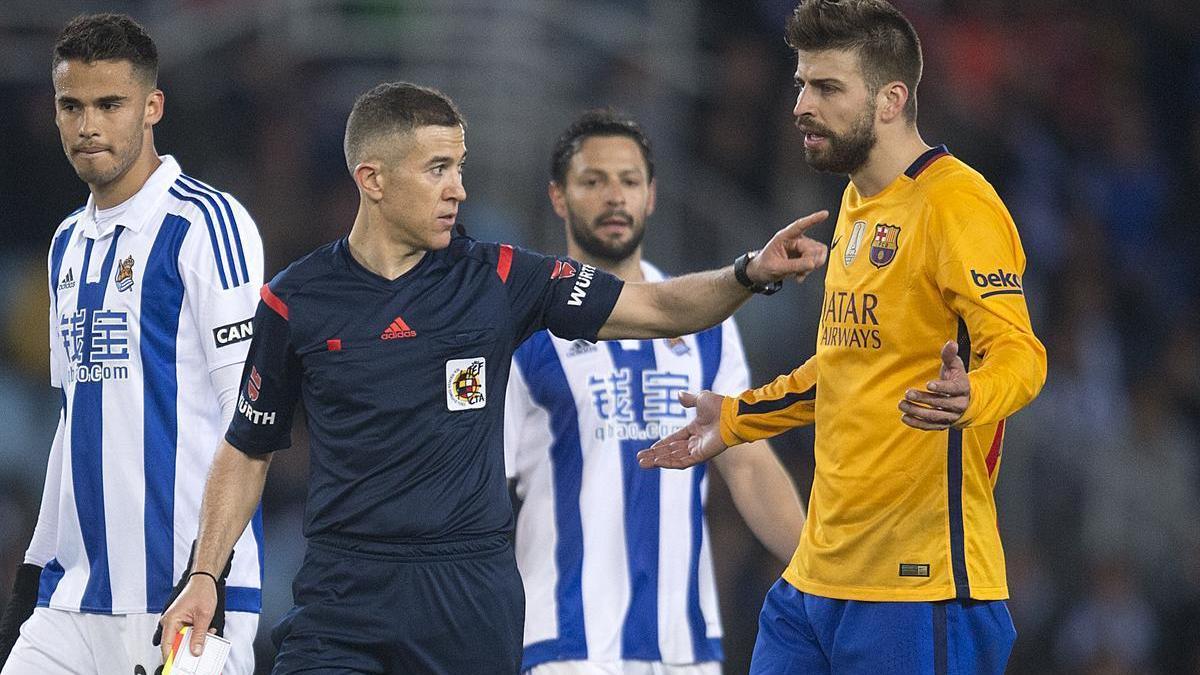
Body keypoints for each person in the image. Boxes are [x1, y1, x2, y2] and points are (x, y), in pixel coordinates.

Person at [157, 81, 828, 673]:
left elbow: (655, 306)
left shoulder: (501, 278)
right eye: (438, 168)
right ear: (374, 179)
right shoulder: (293, 299)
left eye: (460, 166)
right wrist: (204, 574)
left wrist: (748, 272)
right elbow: (248, 447)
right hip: (343, 593)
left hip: (468, 601)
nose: (459, 188)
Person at [638, 1, 1048, 673]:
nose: (801, 104)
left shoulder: (958, 206)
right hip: (816, 583)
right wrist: (738, 417)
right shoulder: (857, 204)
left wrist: (972, 392)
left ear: (890, 100)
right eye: (801, 83)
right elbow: (845, 367)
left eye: (827, 88)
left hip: (921, 588)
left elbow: (1022, 354)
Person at [0, 13, 264, 675]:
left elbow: (254, 419)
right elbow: (72, 420)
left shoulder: (207, 225)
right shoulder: (66, 244)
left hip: (189, 595)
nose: (88, 124)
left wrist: (207, 571)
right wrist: (32, 576)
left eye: (109, 103)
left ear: (152, 107)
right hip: (76, 601)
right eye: (73, 105)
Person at [505, 110, 805, 675]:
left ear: (652, 196)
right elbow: (485, 491)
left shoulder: (709, 324)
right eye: (593, 181)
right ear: (558, 197)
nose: (614, 196)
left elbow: (748, 466)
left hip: (686, 648)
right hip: (563, 647)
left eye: (630, 180)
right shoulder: (524, 329)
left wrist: (821, 573)